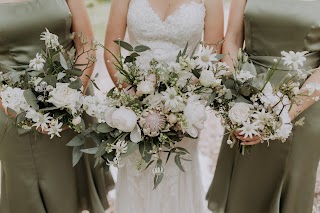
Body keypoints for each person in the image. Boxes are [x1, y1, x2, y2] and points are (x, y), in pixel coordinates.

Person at [104, 0, 224, 212]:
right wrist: (134, 96)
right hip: (136, 105)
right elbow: (111, 50)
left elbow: (212, 57)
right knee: (138, 168)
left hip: (182, 109)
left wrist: (181, 100)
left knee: (177, 171)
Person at [0, 0, 114, 212]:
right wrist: (14, 106)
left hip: (73, 100)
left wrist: (70, 97)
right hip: (14, 111)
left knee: (73, 188)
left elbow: (86, 44)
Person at [206, 0, 320, 212]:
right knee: (243, 190)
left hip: (301, 105)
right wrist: (235, 100)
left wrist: (283, 115)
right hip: (246, 97)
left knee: (288, 190)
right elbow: (232, 40)